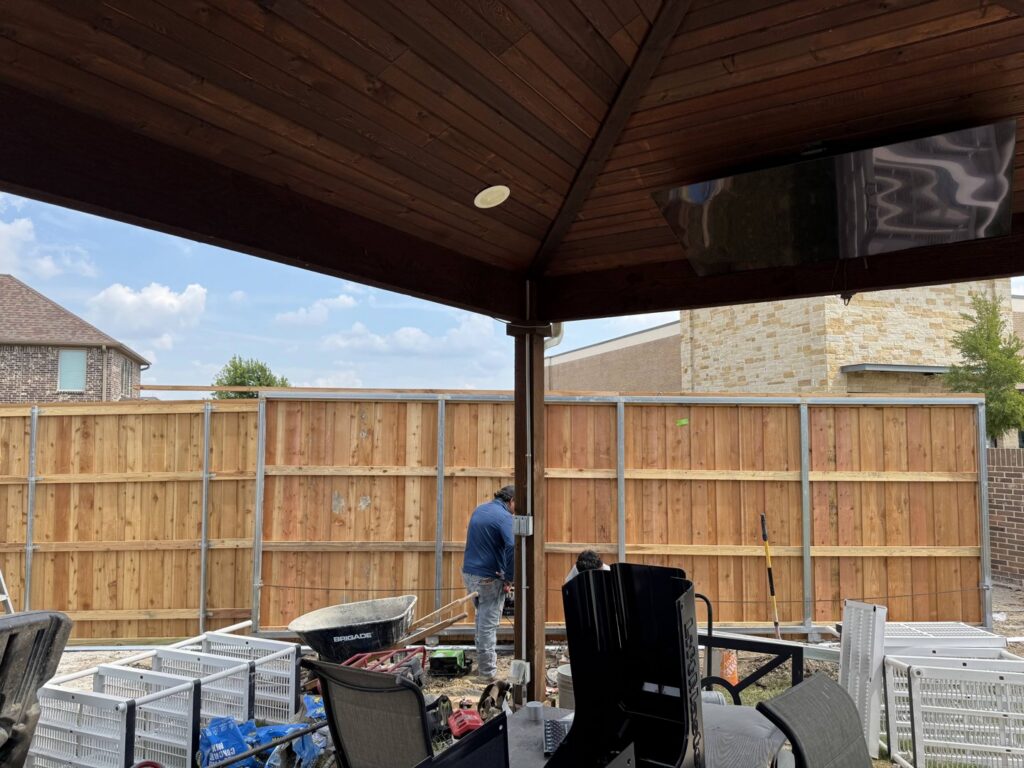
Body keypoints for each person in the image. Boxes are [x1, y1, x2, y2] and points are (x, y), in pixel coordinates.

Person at [462, 485, 515, 683]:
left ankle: (483, 665)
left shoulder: (481, 509)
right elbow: (512, 546)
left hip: (470, 574)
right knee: (488, 626)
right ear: (511, 501)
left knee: (481, 620)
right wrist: (509, 578)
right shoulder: (504, 518)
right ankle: (487, 673)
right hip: (488, 578)